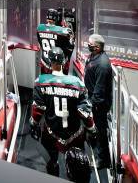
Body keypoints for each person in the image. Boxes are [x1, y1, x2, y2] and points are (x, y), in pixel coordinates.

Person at [30, 47, 96, 179]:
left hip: (51, 134)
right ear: (65, 62)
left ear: (49, 62)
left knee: (51, 162)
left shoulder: (41, 82)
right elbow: (85, 112)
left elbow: (38, 109)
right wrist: (92, 129)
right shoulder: (77, 83)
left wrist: (33, 123)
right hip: (74, 135)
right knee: (78, 166)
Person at [84, 33, 113, 169]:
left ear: (96, 47)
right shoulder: (94, 56)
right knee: (95, 128)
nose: (87, 45)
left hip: (99, 104)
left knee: (101, 131)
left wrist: (92, 105)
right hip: (92, 97)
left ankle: (103, 160)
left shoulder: (102, 65)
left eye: (89, 44)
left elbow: (99, 89)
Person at [37, 9, 74, 74]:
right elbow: (70, 47)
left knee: (44, 82)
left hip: (44, 62)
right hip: (57, 65)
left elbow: (40, 42)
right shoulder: (63, 31)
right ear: (57, 18)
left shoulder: (40, 28)